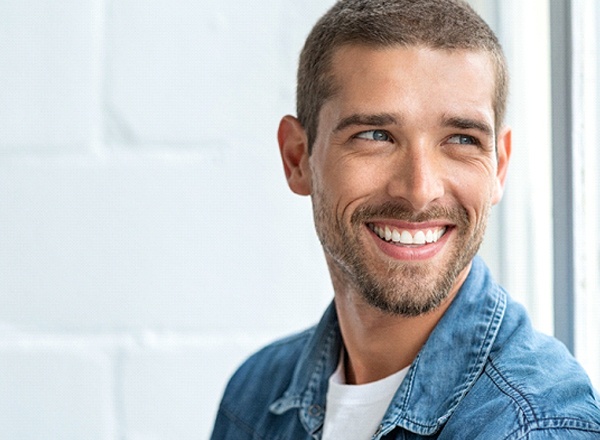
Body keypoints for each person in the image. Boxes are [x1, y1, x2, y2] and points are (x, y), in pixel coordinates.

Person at [211, 0, 600, 438]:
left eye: (461, 139)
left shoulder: (531, 426)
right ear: (298, 158)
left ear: (499, 167)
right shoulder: (254, 397)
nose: (419, 191)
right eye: (376, 136)